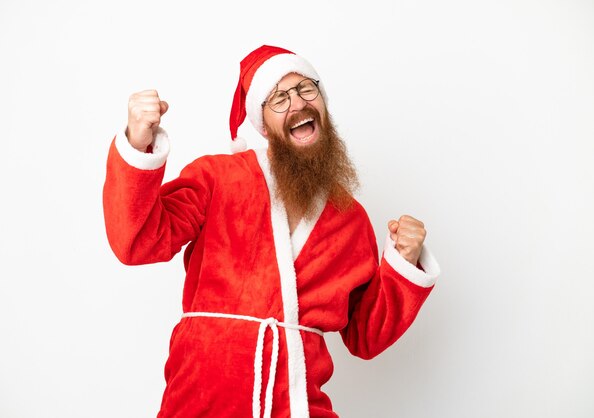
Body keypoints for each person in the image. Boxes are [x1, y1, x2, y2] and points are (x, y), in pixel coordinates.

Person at [103, 45, 440, 418]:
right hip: (200, 398)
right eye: (279, 98)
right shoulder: (218, 177)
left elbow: (365, 335)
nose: (297, 104)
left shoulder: (350, 218)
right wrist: (137, 143)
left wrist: (404, 264)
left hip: (296, 404)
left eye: (306, 90)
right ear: (263, 124)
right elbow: (137, 242)